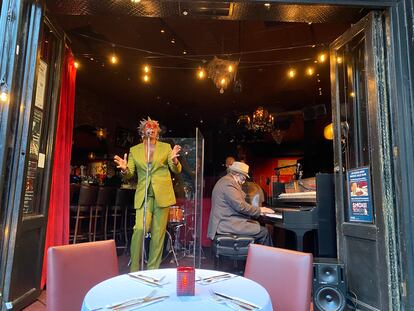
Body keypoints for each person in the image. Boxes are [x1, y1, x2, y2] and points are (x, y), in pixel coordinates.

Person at [114, 118, 182, 271]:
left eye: (154, 127)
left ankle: (152, 271)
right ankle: (134, 270)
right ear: (142, 131)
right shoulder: (135, 150)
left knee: (158, 235)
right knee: (140, 228)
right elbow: (129, 174)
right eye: (148, 127)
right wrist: (125, 169)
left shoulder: (165, 148)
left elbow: (175, 169)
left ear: (158, 131)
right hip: (144, 195)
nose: (151, 129)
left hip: (162, 195)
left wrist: (175, 161)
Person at [207, 161, 274, 246]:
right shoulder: (228, 183)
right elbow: (240, 206)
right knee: (264, 232)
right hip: (225, 224)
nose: (244, 180)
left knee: (256, 226)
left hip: (228, 222)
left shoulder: (227, 181)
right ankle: (266, 259)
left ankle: (255, 256)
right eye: (244, 177)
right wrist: (260, 210)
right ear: (237, 174)